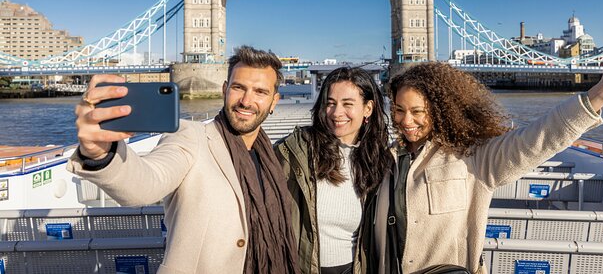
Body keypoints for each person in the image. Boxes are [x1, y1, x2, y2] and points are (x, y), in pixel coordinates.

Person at [373, 36, 603, 274]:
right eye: (398, 109)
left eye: (417, 111)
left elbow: (537, 139)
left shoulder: (473, 158)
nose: (406, 120)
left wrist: (601, 94)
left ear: (440, 110)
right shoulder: (385, 159)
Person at [68, 46, 300, 274]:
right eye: (239, 88)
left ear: (274, 102)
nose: (246, 101)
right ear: (224, 89)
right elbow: (145, 183)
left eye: (260, 92)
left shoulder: (270, 156)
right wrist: (101, 153)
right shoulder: (191, 136)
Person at [275, 67, 393, 274]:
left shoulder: (379, 161)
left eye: (348, 104)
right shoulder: (293, 151)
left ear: (368, 108)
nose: (337, 113)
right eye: (330, 103)